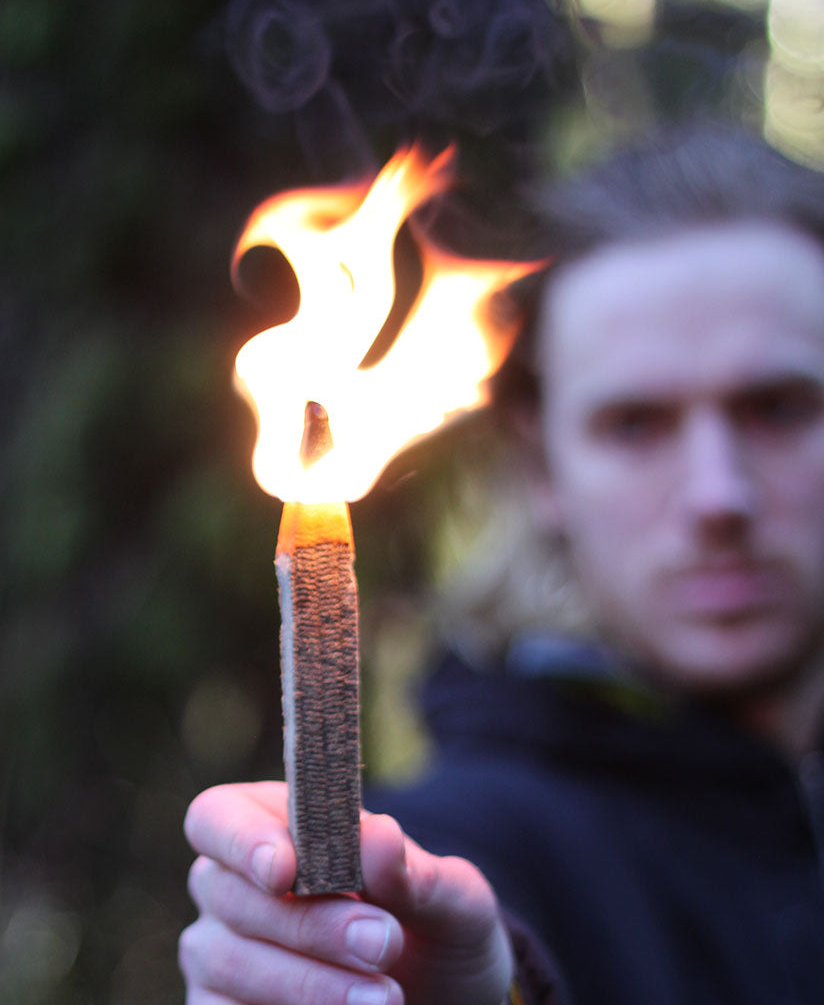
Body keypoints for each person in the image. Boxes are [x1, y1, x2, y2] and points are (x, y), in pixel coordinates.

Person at [178, 124, 824, 1004]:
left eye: (779, 408)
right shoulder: (462, 846)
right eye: (635, 425)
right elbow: (464, 939)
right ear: (543, 463)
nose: (719, 495)